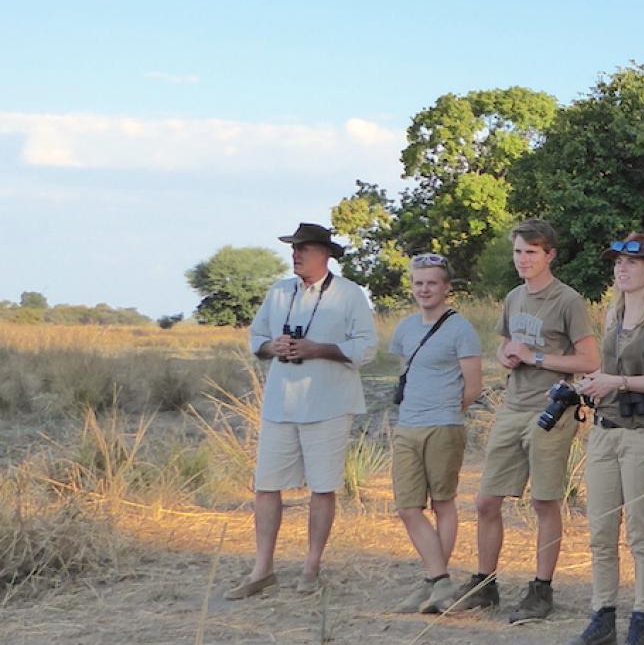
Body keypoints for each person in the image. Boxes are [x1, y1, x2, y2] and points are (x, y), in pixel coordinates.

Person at [450, 219, 599, 622]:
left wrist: (535, 357)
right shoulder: (514, 297)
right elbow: (504, 345)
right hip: (512, 406)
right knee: (486, 500)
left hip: (551, 409)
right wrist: (506, 355)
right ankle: (485, 584)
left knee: (543, 501)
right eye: (518, 251)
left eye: (531, 252)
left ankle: (541, 589)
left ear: (550, 255)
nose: (523, 259)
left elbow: (590, 360)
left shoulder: (567, 300)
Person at [226, 222, 377, 600]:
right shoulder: (279, 292)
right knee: (266, 485)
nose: (295, 255)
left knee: (322, 487)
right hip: (281, 403)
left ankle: (311, 567)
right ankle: (263, 569)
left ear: (324, 254)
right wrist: (272, 347)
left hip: (329, 404)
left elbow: (366, 348)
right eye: (293, 249)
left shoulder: (349, 294)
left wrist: (318, 349)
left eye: (303, 249)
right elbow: (256, 338)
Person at [563, 233, 644, 645]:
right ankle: (602, 617)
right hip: (604, 432)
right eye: (617, 262)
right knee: (600, 533)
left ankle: (643, 621)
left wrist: (619, 382)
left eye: (631, 262)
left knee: (640, 536)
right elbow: (608, 372)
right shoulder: (613, 313)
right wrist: (587, 386)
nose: (621, 268)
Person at [387, 253, 483, 614]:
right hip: (407, 425)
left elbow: (473, 386)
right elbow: (406, 373)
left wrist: (448, 412)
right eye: (418, 283)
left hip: (444, 424)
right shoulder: (405, 328)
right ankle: (439, 581)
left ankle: (434, 583)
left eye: (431, 283)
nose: (424, 289)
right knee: (408, 507)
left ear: (446, 288)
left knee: (443, 502)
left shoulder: (461, 329)